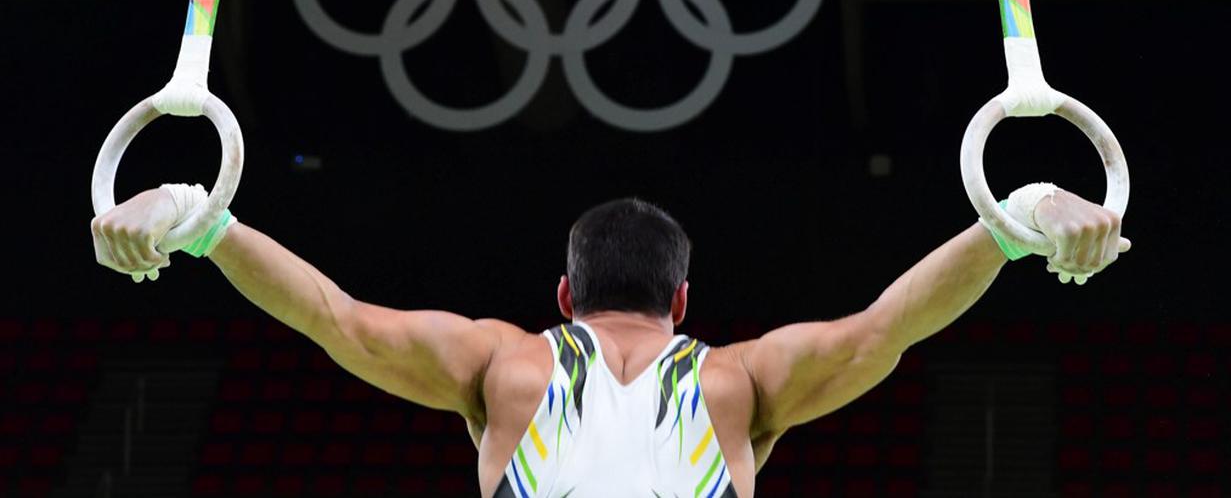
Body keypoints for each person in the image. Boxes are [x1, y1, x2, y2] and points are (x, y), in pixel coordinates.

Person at [91, 184, 1127, 497]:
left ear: (562, 290)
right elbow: (887, 328)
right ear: (681, 298)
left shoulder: (506, 364)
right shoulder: (734, 378)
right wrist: (1010, 223)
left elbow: (334, 317)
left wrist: (204, 224)